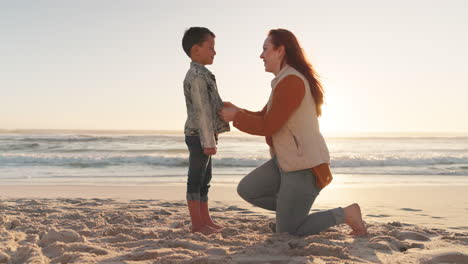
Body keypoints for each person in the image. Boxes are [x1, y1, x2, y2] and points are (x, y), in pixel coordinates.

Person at [219, 29, 367, 236]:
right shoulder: (283, 81)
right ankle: (289, 213)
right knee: (248, 189)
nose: (261, 55)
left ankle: (346, 214)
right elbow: (264, 116)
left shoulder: (291, 81)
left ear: (280, 51)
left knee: (288, 232)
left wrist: (236, 117)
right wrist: (238, 110)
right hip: (286, 163)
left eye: (265, 49)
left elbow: (268, 126)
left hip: (305, 167)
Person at [181, 27, 230, 234]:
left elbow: (210, 107)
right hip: (198, 135)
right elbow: (201, 110)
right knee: (196, 178)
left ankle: (205, 218)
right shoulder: (197, 76)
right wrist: (208, 141)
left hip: (205, 134)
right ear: (196, 49)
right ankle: (197, 223)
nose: (214, 52)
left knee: (205, 179)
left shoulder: (204, 74)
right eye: (211, 47)